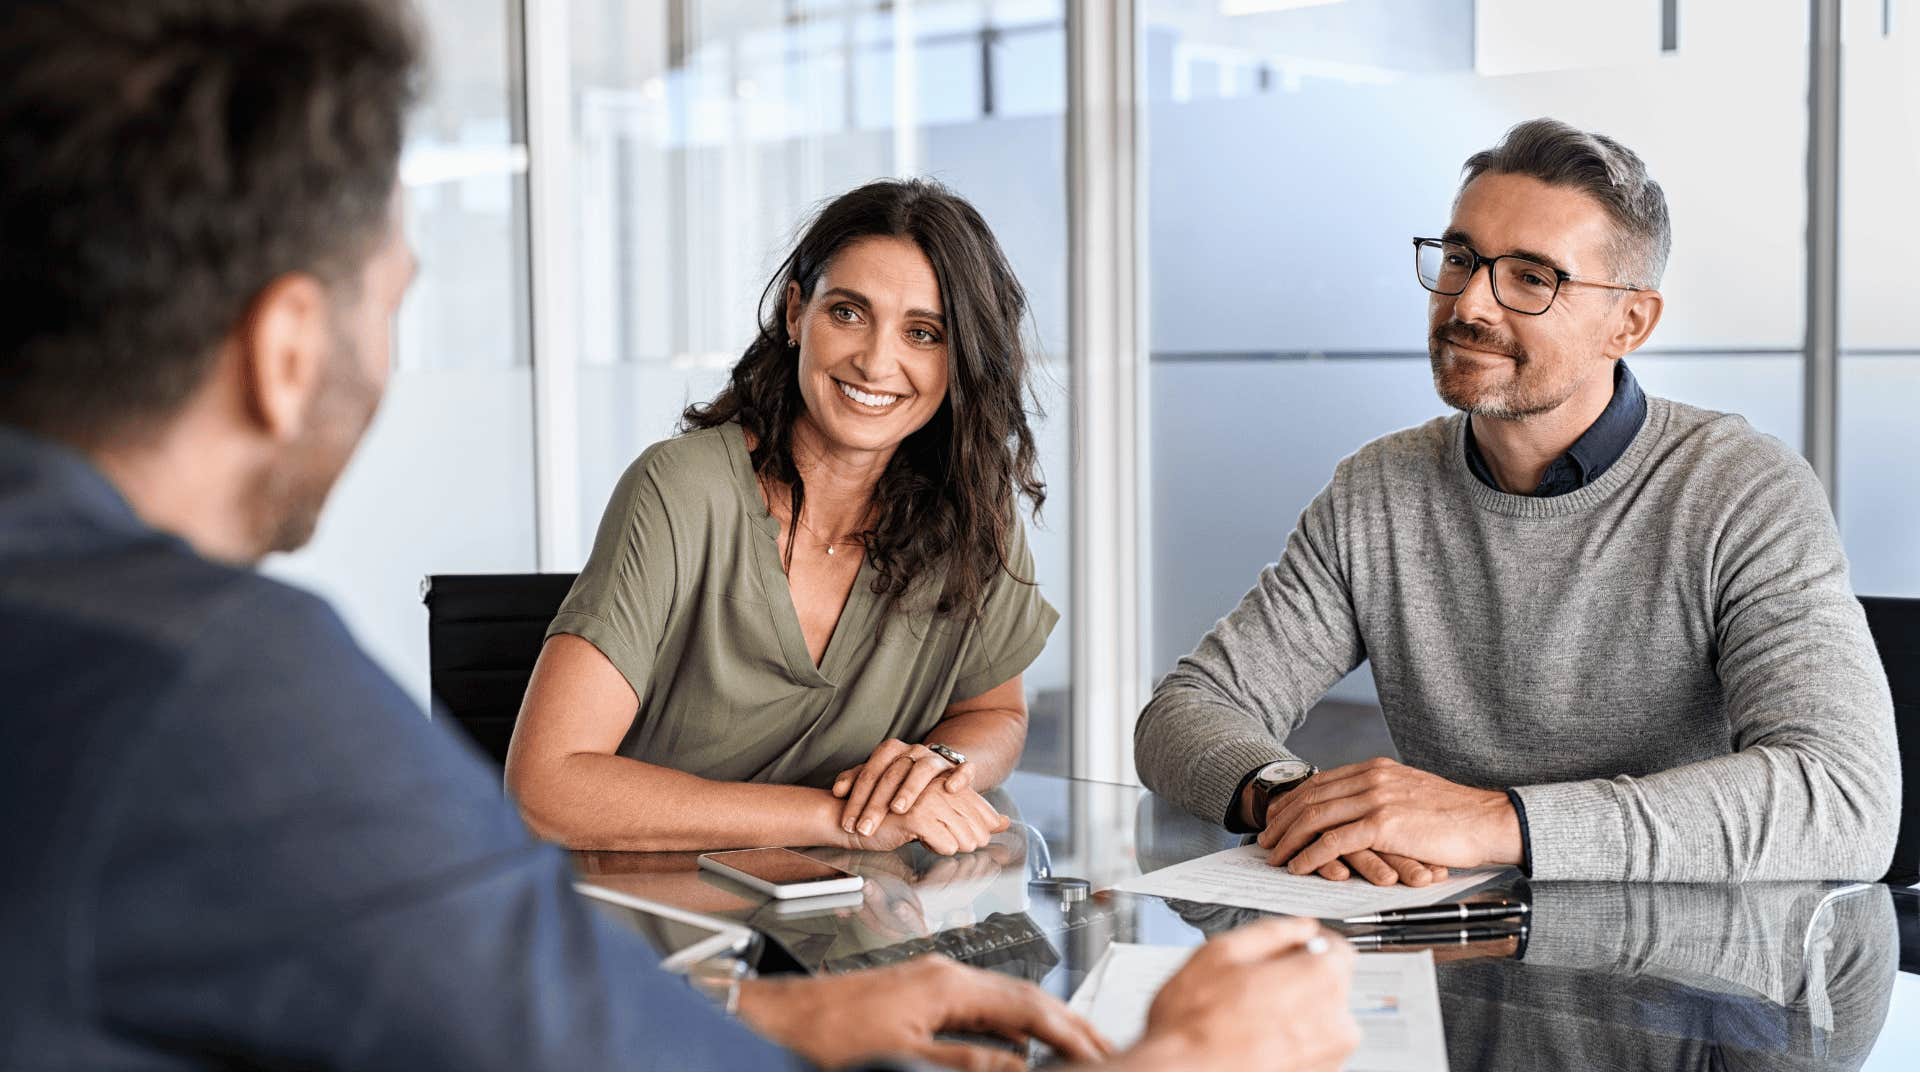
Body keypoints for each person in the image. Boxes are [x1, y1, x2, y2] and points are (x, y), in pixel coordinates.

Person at [0, 0, 1364, 1070]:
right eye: (398, 288)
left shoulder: (81, 633)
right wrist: (1173, 1063)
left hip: (776, 968)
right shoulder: (225, 695)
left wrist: (790, 1020)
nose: (878, 357)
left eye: (925, 333)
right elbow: (543, 949)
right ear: (288, 346)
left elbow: (500, 1047)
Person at [1134, 118, 1899, 886]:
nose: (1470, 304)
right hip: (1447, 951)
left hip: (1688, 974)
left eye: (1532, 278)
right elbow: (1186, 712)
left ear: (1628, 322)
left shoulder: (1741, 491)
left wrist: (1494, 820)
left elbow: (1842, 799)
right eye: (1461, 258)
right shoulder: (1377, 490)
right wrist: (1294, 799)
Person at [507, 179, 1057, 856]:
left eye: (923, 333)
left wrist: (941, 764)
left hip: (851, 930)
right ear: (796, 313)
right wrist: (838, 821)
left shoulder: (974, 509)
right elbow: (547, 788)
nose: (877, 361)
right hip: (649, 923)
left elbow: (993, 712)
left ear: (960, 356)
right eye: (849, 313)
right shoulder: (681, 490)